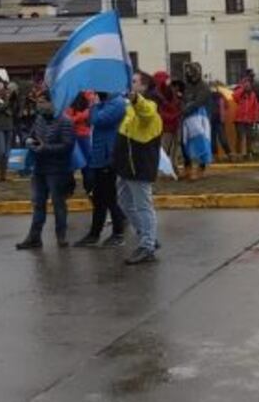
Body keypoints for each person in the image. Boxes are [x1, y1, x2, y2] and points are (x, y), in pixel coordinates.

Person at [15, 90, 76, 250]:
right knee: (37, 203)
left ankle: (61, 236)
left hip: (57, 169)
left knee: (58, 204)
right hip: (39, 168)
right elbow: (30, 135)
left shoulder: (65, 121)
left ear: (53, 103)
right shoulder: (39, 119)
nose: (39, 105)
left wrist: (45, 148)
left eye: (42, 102)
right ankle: (34, 237)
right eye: (38, 102)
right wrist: (28, 140)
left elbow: (67, 145)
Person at [115, 71, 163, 265]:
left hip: (140, 166)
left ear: (143, 87)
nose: (130, 84)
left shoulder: (149, 106)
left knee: (143, 206)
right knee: (125, 203)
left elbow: (146, 111)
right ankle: (148, 236)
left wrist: (136, 99)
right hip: (126, 167)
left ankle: (147, 246)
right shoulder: (129, 110)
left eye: (134, 82)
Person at [73, 92, 128, 247]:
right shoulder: (103, 104)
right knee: (98, 198)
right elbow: (91, 120)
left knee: (109, 197)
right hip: (98, 156)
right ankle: (94, 234)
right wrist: (95, 106)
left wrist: (94, 105)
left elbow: (97, 119)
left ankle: (118, 233)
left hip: (108, 157)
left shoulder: (116, 103)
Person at [181, 62, 213, 179]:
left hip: (201, 118)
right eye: (188, 72)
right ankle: (187, 167)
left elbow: (199, 102)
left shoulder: (204, 87)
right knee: (184, 142)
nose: (190, 74)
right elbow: (183, 98)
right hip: (187, 118)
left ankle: (201, 168)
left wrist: (186, 109)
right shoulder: (186, 86)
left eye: (192, 72)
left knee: (201, 141)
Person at [153, 71, 182, 166]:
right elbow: (161, 113)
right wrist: (176, 115)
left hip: (171, 125)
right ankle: (167, 169)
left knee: (171, 148)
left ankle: (171, 168)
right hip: (168, 125)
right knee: (167, 148)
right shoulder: (160, 96)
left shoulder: (169, 94)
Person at [233, 76, 259, 159]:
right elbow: (235, 96)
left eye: (248, 84)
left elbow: (255, 107)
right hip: (239, 119)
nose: (247, 85)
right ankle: (239, 153)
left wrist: (256, 118)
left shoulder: (253, 95)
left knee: (249, 136)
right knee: (240, 136)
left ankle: (249, 153)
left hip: (249, 119)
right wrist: (242, 90)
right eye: (245, 84)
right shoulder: (239, 92)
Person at [208, 84, 232, 161]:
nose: (213, 89)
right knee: (213, 140)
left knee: (222, 139)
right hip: (211, 121)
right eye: (212, 88)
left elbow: (227, 105)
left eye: (214, 88)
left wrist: (223, 113)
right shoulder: (208, 98)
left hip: (219, 121)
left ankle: (229, 154)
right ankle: (215, 156)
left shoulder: (221, 97)